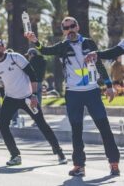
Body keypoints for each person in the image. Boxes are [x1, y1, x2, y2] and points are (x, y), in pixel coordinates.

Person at [25, 16, 120, 176]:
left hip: (92, 92)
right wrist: (35, 41)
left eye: (72, 26)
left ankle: (114, 163)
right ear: (63, 31)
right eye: (66, 28)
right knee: (76, 131)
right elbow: (45, 50)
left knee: (104, 127)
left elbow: (98, 64)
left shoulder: (89, 43)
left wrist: (109, 86)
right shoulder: (62, 46)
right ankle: (79, 165)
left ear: (78, 27)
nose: (70, 30)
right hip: (73, 94)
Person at [0, 39, 67, 166]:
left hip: (27, 97)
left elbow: (33, 76)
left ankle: (59, 152)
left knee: (42, 124)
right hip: (10, 98)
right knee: (3, 124)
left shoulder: (16, 58)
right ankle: (15, 155)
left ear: (4, 48)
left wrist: (33, 96)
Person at [25, 48, 46, 127]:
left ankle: (37, 120)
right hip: (40, 82)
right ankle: (39, 119)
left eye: (29, 55)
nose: (28, 57)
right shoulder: (43, 60)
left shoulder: (31, 62)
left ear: (31, 54)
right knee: (39, 101)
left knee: (34, 102)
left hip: (33, 84)